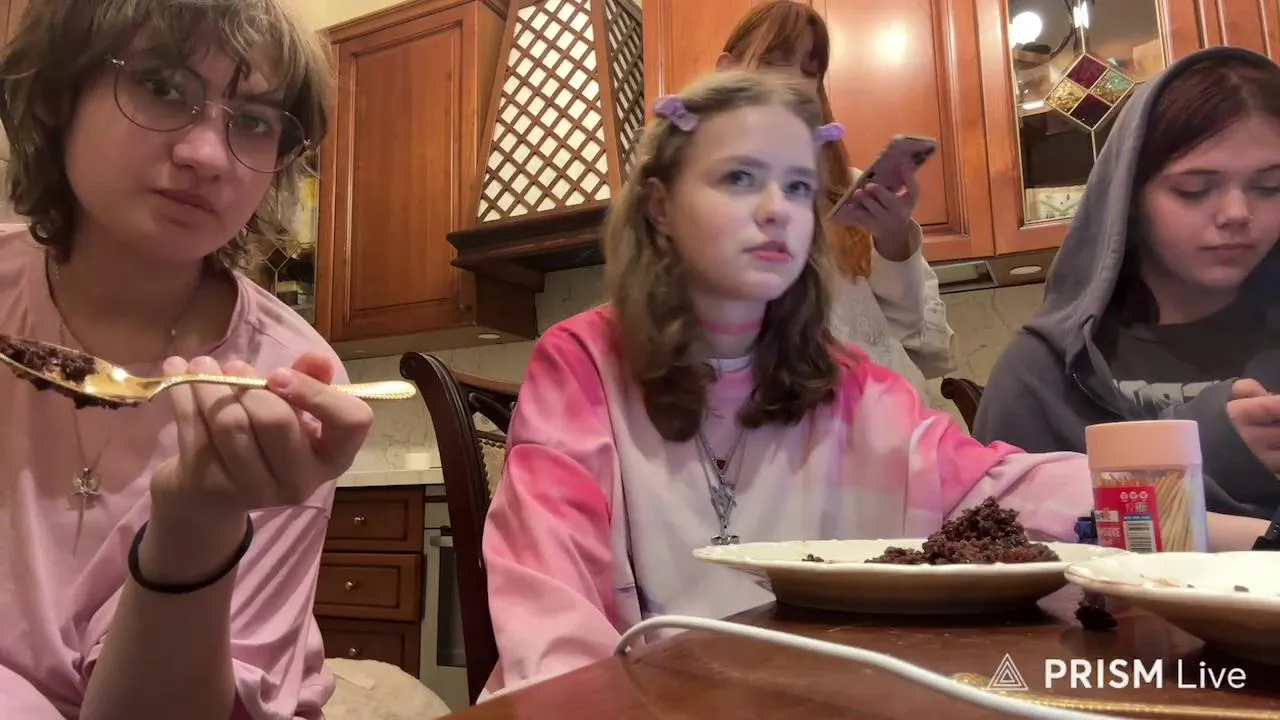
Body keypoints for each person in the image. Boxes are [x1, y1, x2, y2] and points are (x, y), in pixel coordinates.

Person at [477, 69, 1269, 699]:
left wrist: (1258, 542)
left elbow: (996, 484)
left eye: (798, 188)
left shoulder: (849, 382)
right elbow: (548, 608)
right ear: (658, 205)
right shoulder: (580, 362)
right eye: (739, 178)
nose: (777, 211)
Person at [0, 1, 374, 718]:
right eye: (163, 87)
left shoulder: (289, 382)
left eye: (254, 121)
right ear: (56, 96)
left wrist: (199, 525)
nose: (207, 155)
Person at [974, 46, 1280, 521]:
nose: (1237, 214)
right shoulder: (1041, 373)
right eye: (1194, 189)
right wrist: (1203, 456)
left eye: (1269, 187)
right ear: (1128, 201)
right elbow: (999, 542)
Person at [715, 0, 954, 396]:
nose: (794, 81)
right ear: (727, 70)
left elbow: (904, 327)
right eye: (773, 61)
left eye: (809, 70)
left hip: (893, 410)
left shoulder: (845, 188)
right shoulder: (703, 198)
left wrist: (893, 240)